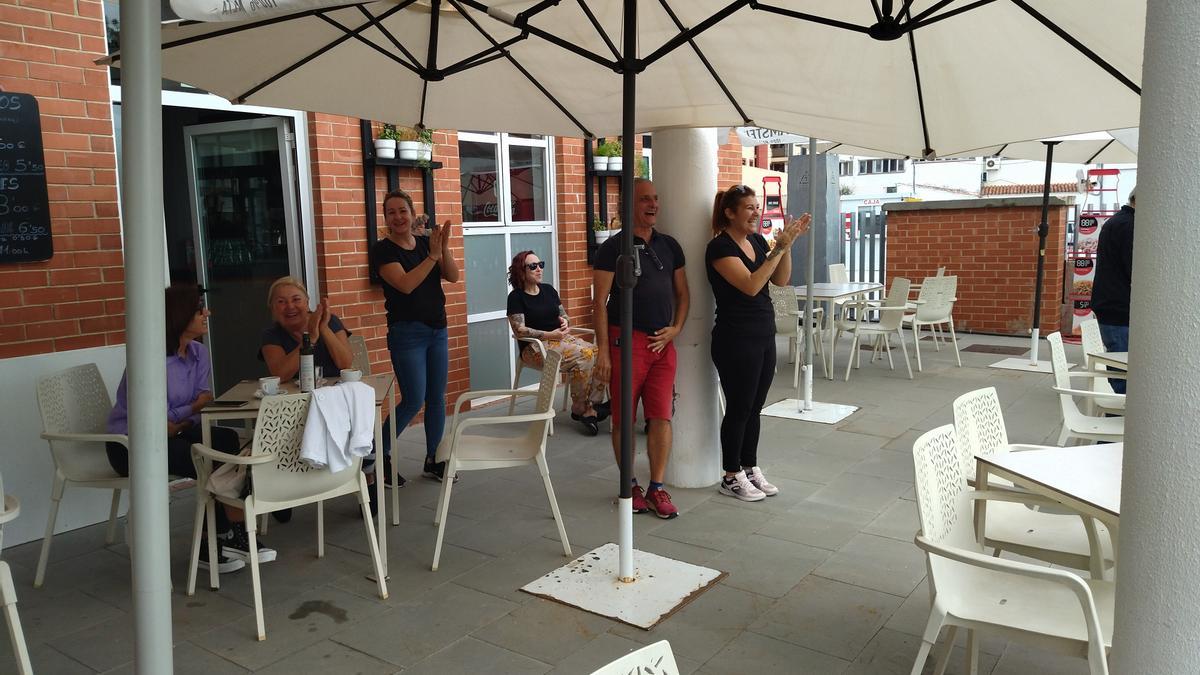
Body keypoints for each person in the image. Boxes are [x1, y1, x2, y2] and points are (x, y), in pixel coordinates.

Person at [105, 284, 273, 573]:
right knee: (204, 456)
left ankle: (222, 538)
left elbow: (199, 405)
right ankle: (228, 535)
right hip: (129, 446)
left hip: (175, 432)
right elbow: (155, 421)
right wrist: (189, 410)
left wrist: (183, 416)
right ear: (179, 316)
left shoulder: (198, 353)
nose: (207, 312)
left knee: (226, 439)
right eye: (199, 309)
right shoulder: (148, 361)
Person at [706, 185, 810, 500]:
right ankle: (730, 475)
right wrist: (778, 249)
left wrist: (785, 247)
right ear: (730, 212)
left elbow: (780, 280)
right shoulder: (720, 248)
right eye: (749, 207)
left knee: (755, 408)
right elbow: (751, 285)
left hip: (763, 333)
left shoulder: (754, 240)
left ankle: (749, 467)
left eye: (757, 206)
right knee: (739, 407)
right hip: (735, 338)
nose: (756, 213)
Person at [593, 178, 689, 519]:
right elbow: (599, 302)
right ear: (630, 204)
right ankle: (628, 484)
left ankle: (657, 488)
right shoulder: (612, 248)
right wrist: (603, 351)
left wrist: (676, 329)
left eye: (656, 198)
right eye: (645, 199)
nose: (653, 204)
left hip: (663, 344)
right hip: (626, 341)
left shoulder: (670, 246)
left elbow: (683, 294)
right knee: (623, 418)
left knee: (661, 416)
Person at [370, 189, 461, 482]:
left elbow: (453, 275)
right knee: (413, 399)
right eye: (391, 212)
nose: (398, 217)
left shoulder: (425, 244)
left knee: (436, 398)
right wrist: (432, 255)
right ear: (386, 218)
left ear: (412, 213)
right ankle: (374, 457)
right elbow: (406, 284)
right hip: (407, 333)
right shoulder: (383, 250)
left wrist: (442, 248)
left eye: (403, 211)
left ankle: (434, 458)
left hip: (437, 329)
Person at [507, 251, 609, 435]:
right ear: (521, 272)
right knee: (585, 355)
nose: (539, 269)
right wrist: (549, 334)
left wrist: (565, 322)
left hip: (561, 340)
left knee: (598, 352)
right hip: (535, 348)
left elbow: (563, 315)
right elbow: (519, 330)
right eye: (533, 266)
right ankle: (580, 408)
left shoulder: (548, 290)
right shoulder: (516, 297)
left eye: (541, 264)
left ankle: (592, 406)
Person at [259, 276, 354, 383]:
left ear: (307, 302)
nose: (290, 306)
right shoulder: (272, 334)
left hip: (334, 391)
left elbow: (345, 364)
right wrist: (310, 338)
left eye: (296, 299)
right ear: (272, 308)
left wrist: (323, 328)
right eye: (281, 302)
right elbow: (280, 375)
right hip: (295, 396)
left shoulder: (330, 321)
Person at [1090, 186, 1134, 394]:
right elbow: (1135, 270)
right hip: (1118, 310)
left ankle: (1117, 419)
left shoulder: (1118, 221)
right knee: (1123, 378)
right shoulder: (1129, 225)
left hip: (1111, 307)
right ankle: (1118, 422)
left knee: (1121, 374)